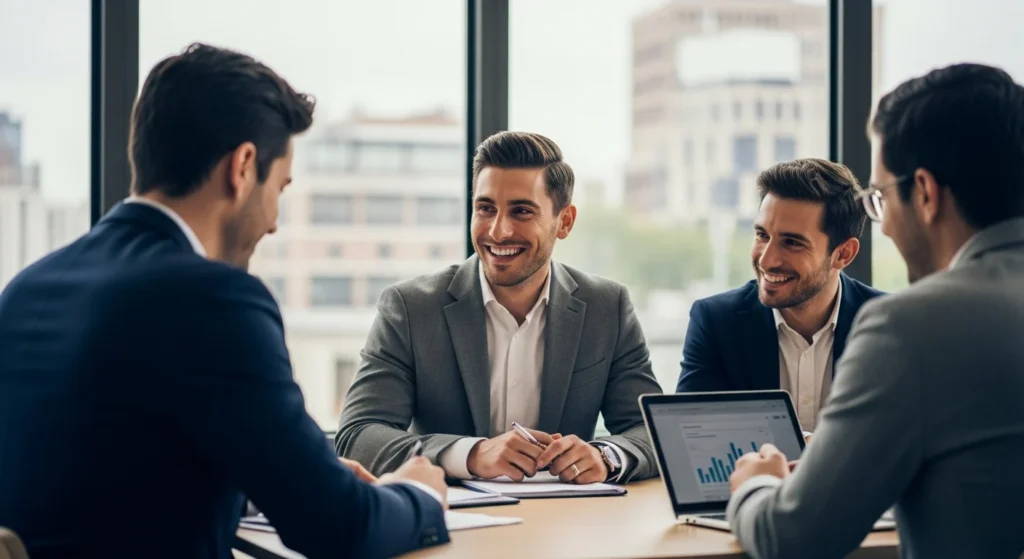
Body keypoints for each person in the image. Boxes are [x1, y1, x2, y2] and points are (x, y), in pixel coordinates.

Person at [0, 43, 449, 559]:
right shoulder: (214, 301)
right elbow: (339, 529)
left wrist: (282, 483)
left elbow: (109, 483)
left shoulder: (28, 289)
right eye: (279, 188)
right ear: (242, 167)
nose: (275, 221)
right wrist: (420, 493)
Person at [726, 63, 1024, 559]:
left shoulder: (911, 327)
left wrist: (754, 486)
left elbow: (793, 539)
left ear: (925, 193)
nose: (881, 228)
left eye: (880, 198)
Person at [336, 131, 663, 484]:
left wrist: (606, 456)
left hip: (568, 525)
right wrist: (472, 454)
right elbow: (359, 435)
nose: (499, 230)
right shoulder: (411, 308)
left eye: (521, 211)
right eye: (485, 208)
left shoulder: (606, 307)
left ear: (564, 222)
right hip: (453, 523)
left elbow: (651, 430)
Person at [676, 158, 883, 431]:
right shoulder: (716, 321)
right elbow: (692, 440)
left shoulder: (889, 324)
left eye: (792, 242)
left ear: (843, 254)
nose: (767, 260)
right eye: (762, 235)